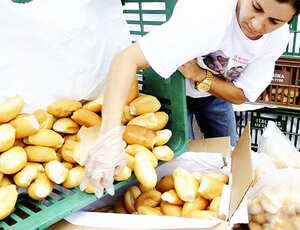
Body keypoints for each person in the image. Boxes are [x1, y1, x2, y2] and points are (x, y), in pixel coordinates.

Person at [80, 0, 299, 196]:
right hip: (172, 90)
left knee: (229, 159)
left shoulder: (276, 38)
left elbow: (241, 95)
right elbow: (126, 59)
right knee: (178, 165)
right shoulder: (206, 13)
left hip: (217, 94)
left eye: (274, 21)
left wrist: (199, 75)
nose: (257, 25)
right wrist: (109, 135)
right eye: (256, 7)